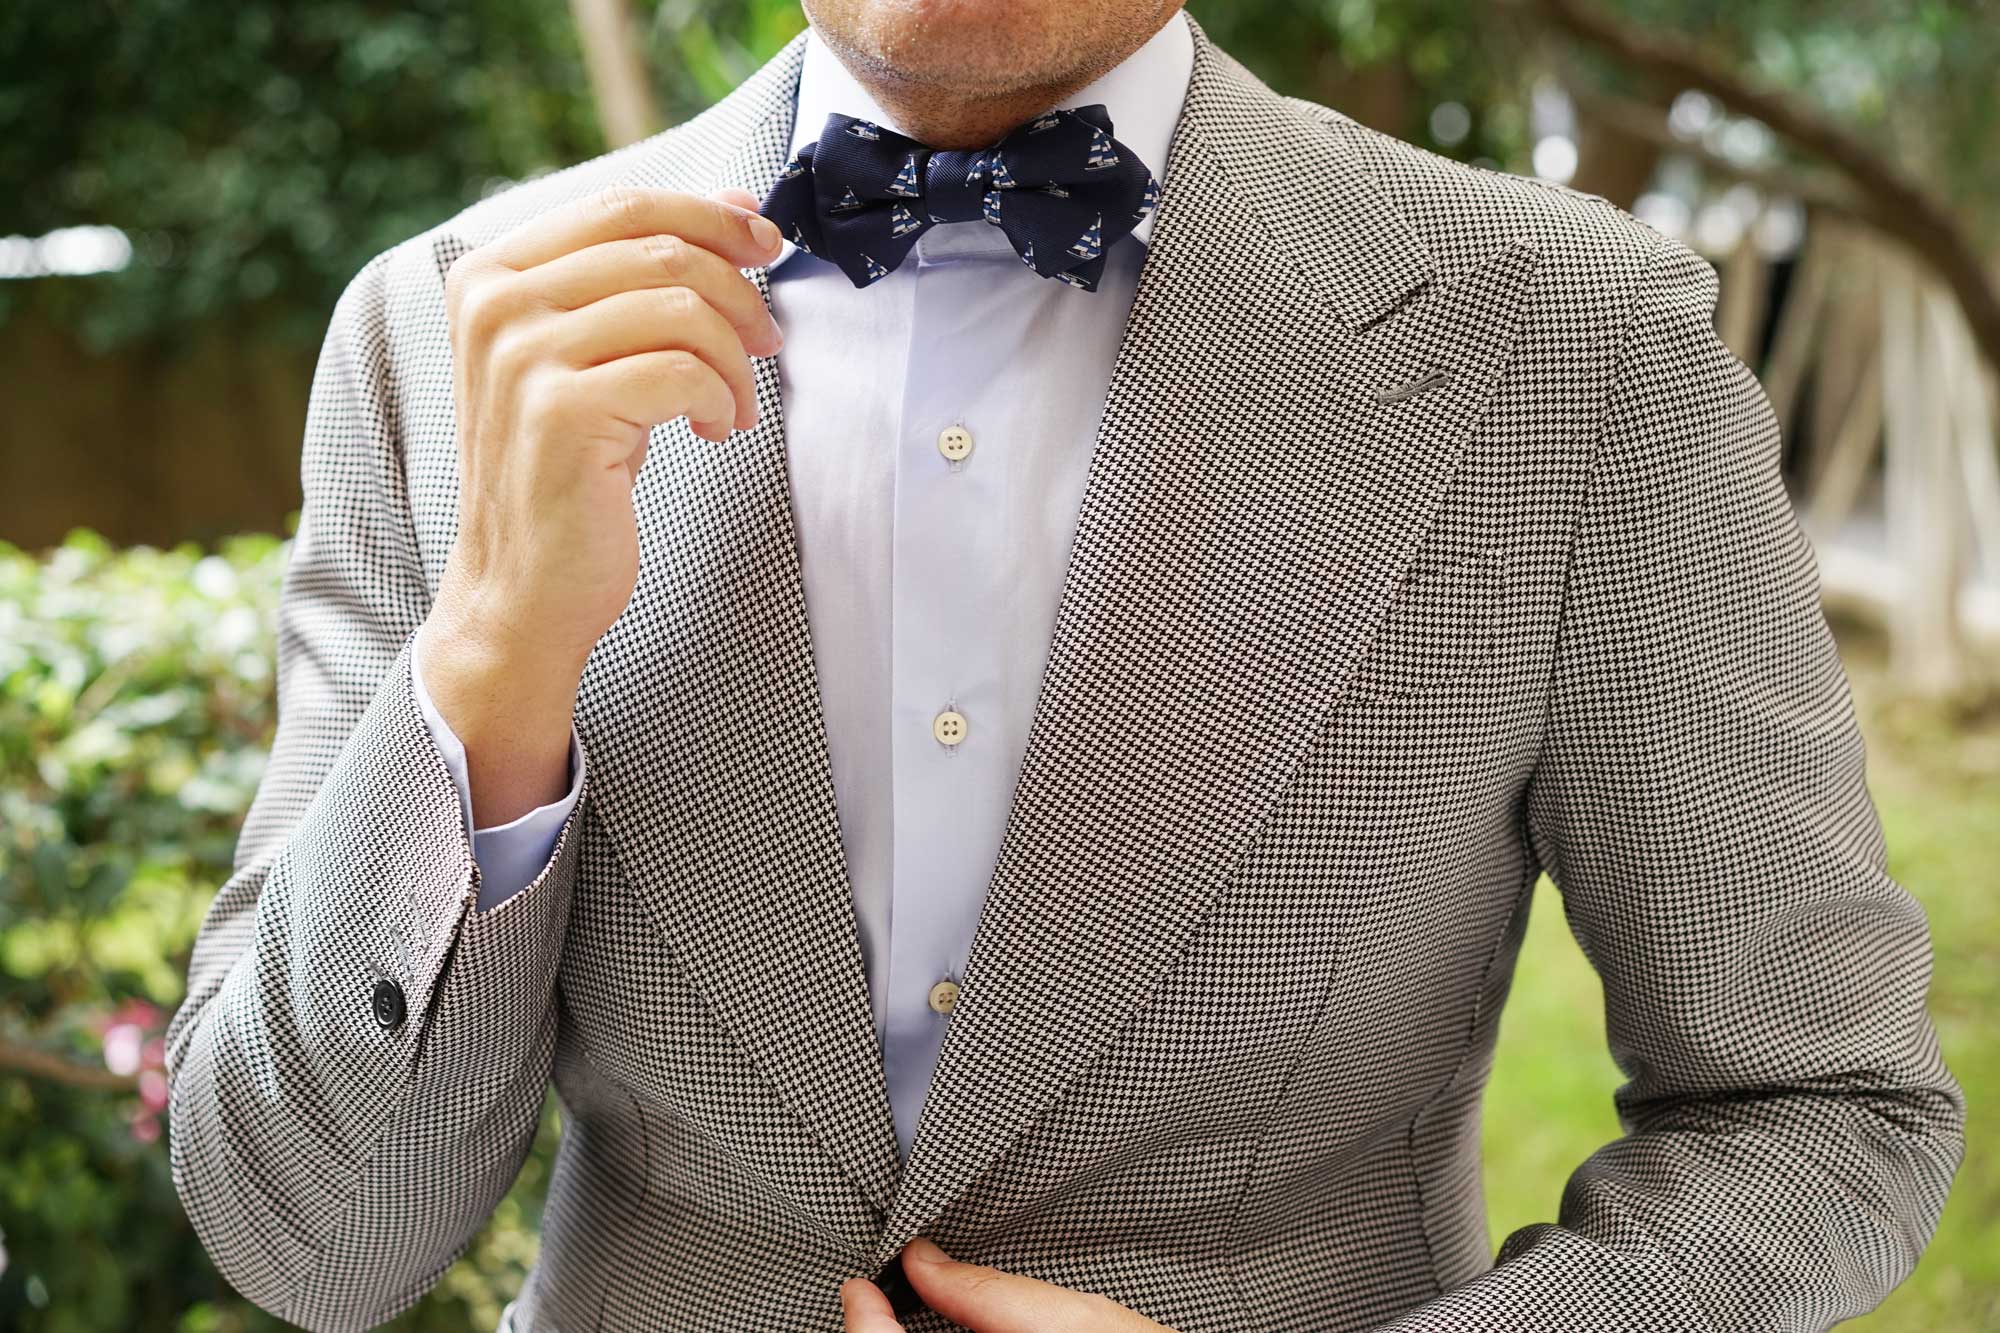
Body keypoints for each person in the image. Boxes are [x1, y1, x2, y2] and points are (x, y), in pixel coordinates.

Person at [163, 1, 1965, 1329]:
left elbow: (1816, 1111)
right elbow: (316, 1236)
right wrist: (492, 653)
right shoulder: (439, 327)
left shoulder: (1577, 351)